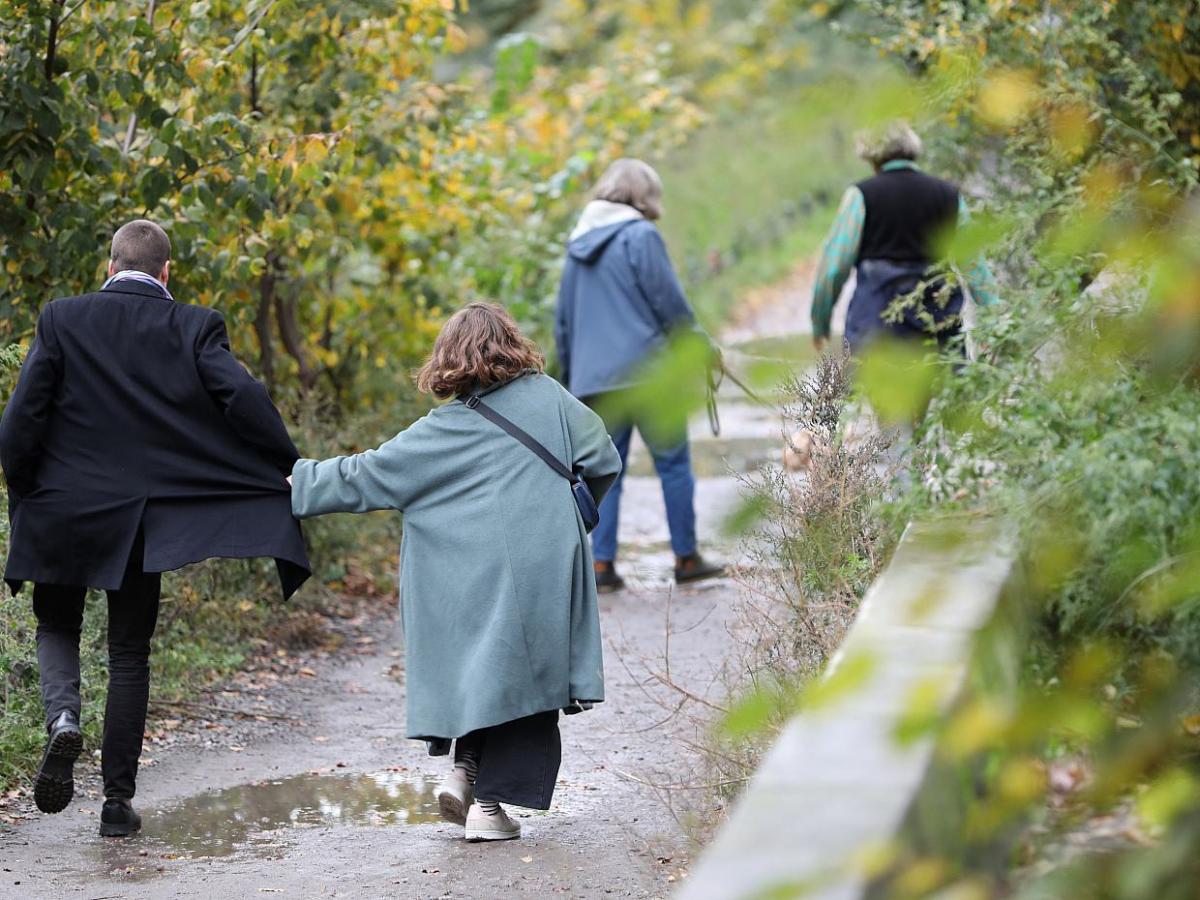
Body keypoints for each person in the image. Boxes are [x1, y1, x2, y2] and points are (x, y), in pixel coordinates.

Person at [0, 220, 310, 837]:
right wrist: (288, 465)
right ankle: (117, 804)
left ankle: (63, 718)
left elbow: (19, 423)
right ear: (167, 272)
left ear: (108, 266)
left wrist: (24, 493)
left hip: (63, 507)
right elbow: (243, 399)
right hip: (143, 519)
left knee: (56, 622)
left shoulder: (62, 318)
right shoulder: (195, 325)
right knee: (128, 652)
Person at [288, 302, 621, 842]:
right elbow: (602, 458)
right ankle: (485, 805)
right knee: (522, 678)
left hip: (467, 575)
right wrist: (570, 515)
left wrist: (295, 483)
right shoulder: (551, 397)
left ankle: (462, 772)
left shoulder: (442, 429)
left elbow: (367, 475)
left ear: (449, 358)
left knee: (484, 667)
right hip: (542, 566)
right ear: (511, 342)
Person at [555, 158, 726, 594]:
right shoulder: (640, 236)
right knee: (672, 464)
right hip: (650, 375)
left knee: (603, 472)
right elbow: (668, 303)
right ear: (644, 195)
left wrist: (573, 376)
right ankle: (686, 557)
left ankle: (601, 564)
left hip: (596, 381)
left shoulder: (577, 245)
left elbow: (564, 322)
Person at [810, 121, 999, 354]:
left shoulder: (861, 195)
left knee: (866, 389)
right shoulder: (948, 195)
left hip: (876, 331)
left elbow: (834, 268)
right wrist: (994, 320)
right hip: (937, 330)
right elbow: (973, 262)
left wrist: (820, 322)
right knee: (944, 387)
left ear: (871, 157)